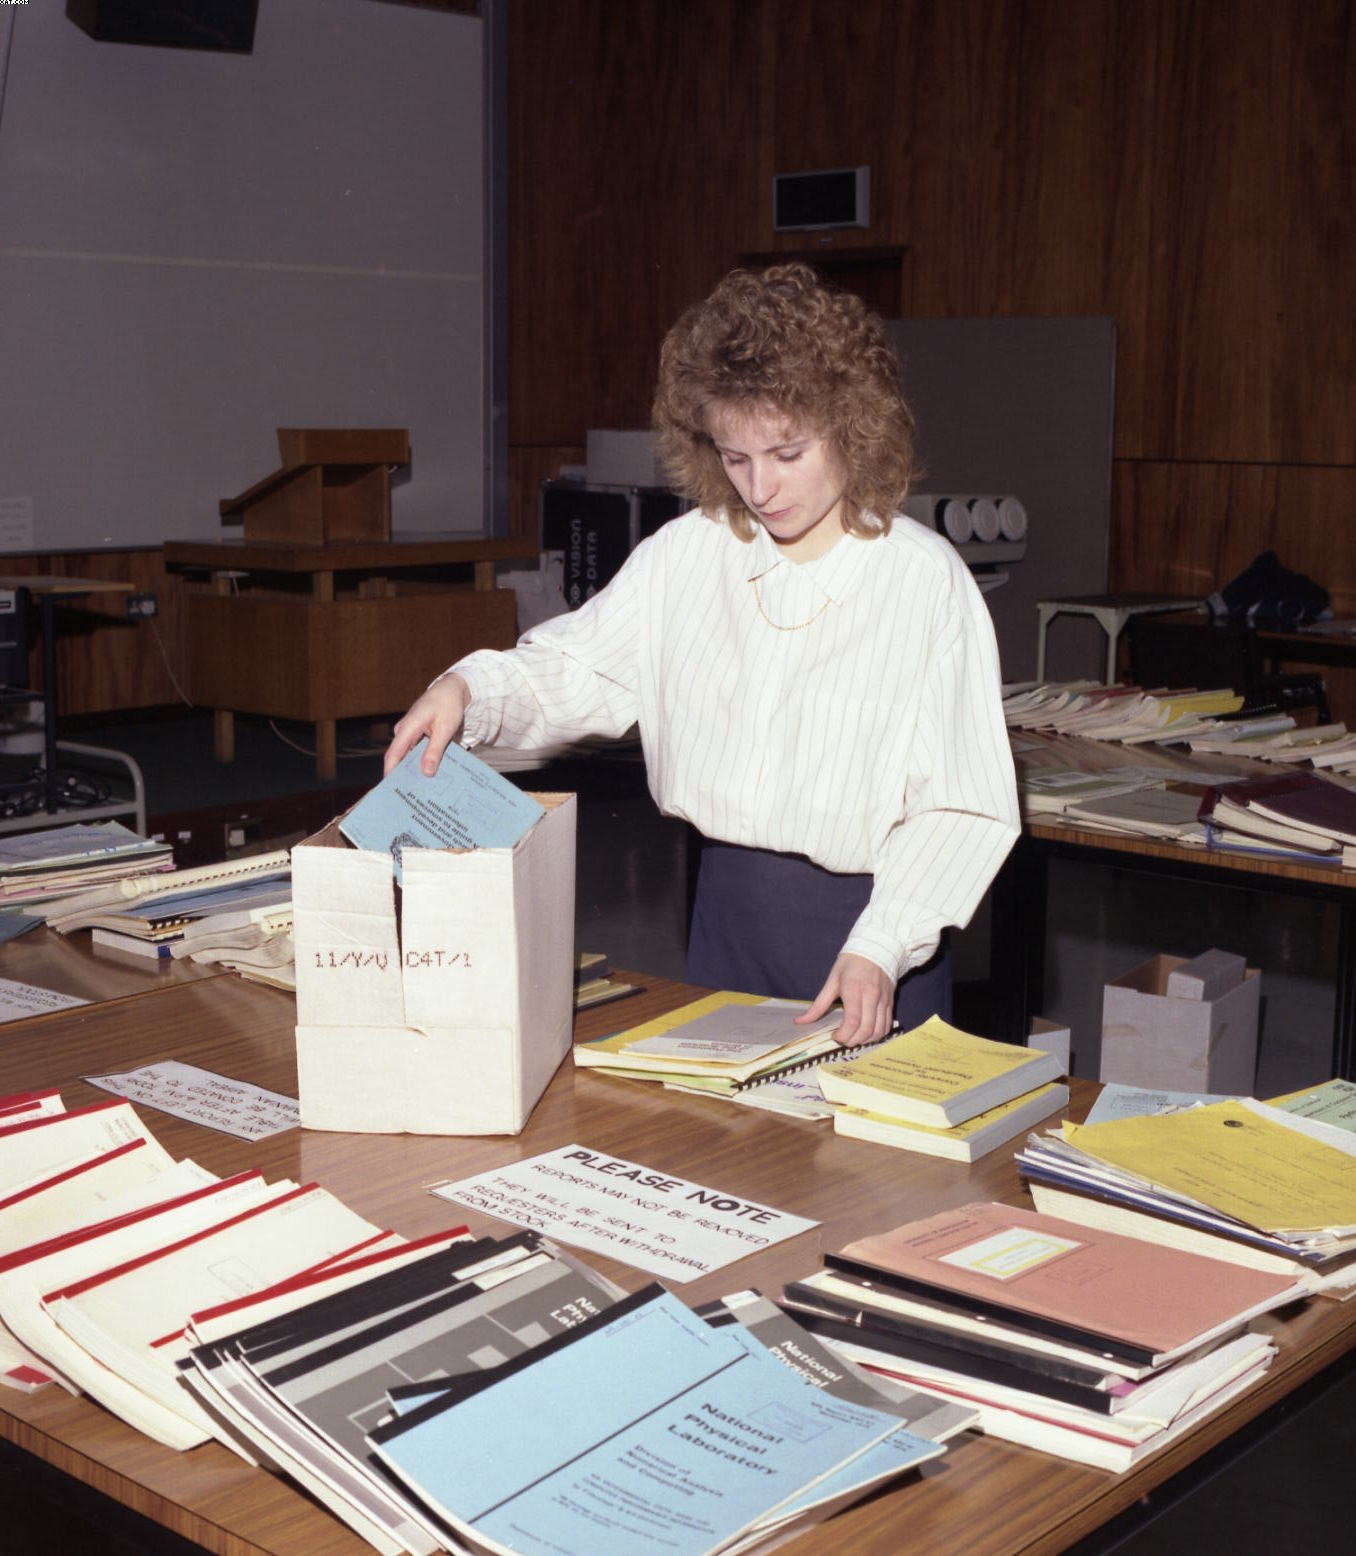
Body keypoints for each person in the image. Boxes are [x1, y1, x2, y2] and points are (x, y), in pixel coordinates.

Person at [385, 263, 1019, 1046]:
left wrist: (884, 943)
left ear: (853, 427)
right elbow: (579, 669)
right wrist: (469, 690)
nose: (760, 487)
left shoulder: (922, 581)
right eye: (735, 457)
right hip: (724, 916)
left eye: (787, 453)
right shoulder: (687, 555)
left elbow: (958, 804)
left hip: (869, 941)